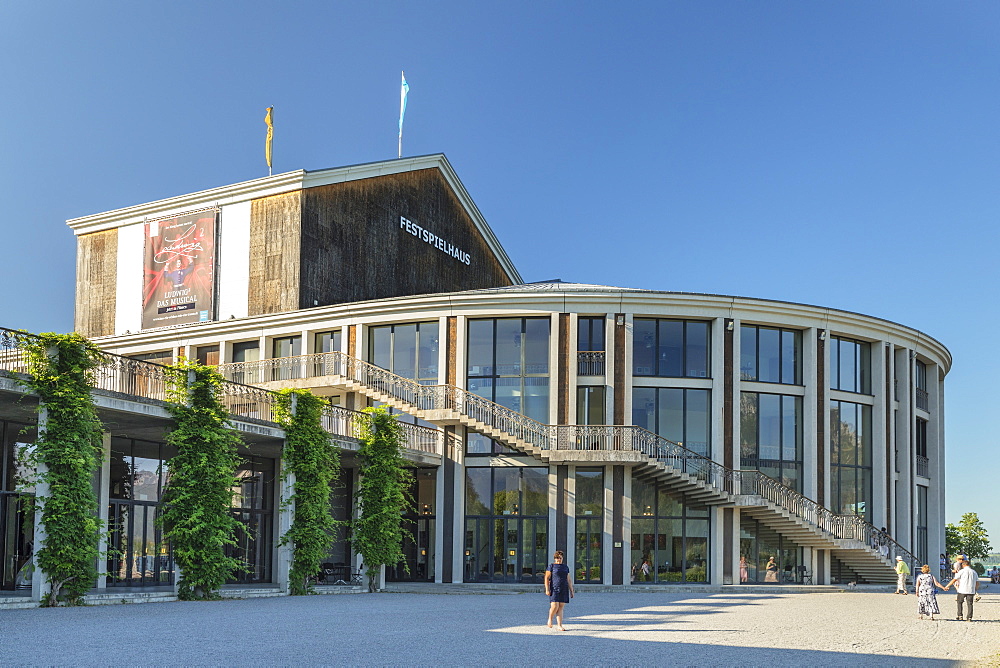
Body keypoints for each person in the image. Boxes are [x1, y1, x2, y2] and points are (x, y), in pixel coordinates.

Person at [545, 550, 574, 630]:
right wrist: (547, 589)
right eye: (557, 558)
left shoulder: (565, 567)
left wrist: (571, 590)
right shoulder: (551, 566)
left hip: (564, 588)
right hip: (554, 588)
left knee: (561, 607)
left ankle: (559, 625)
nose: (559, 559)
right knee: (555, 606)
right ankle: (550, 619)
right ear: (555, 558)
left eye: (560, 558)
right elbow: (547, 578)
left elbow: (568, 579)